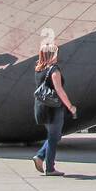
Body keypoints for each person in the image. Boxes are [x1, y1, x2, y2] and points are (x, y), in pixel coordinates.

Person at [32, 43, 77, 176]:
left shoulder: (39, 69)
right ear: (52, 54)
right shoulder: (54, 70)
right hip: (53, 107)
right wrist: (70, 106)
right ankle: (49, 167)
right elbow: (59, 90)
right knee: (53, 137)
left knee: (54, 135)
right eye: (56, 53)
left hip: (41, 106)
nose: (58, 55)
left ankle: (41, 157)